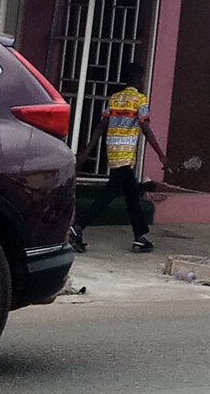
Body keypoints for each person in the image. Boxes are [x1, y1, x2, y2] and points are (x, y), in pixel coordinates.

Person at [70, 63, 170, 254]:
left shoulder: (114, 98)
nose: (143, 81)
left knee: (132, 196)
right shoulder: (140, 99)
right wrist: (161, 155)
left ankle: (140, 237)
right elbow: (145, 128)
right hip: (126, 155)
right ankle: (78, 227)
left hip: (113, 152)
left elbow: (101, 127)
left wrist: (86, 152)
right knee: (108, 195)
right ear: (137, 79)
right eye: (142, 78)